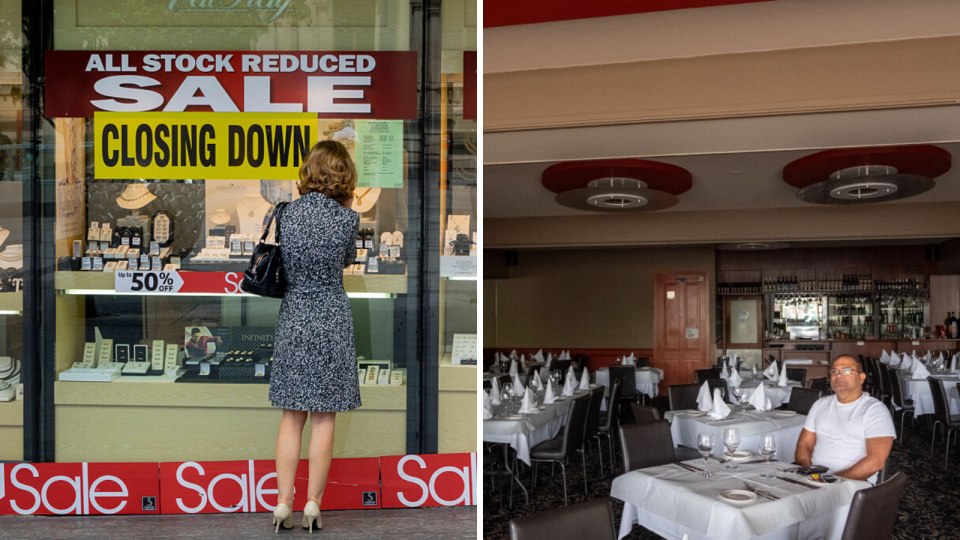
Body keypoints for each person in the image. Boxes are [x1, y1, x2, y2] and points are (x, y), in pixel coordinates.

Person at [269, 140, 360, 533]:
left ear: (309, 171)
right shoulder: (347, 220)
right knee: (325, 418)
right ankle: (312, 504)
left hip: (294, 316)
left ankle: (282, 503)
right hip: (332, 318)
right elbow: (347, 261)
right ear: (344, 175)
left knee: (292, 417)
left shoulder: (285, 214)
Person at [794, 354, 895, 483]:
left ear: (861, 378)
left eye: (847, 370)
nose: (839, 375)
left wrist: (832, 480)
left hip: (854, 483)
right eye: (834, 371)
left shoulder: (875, 410)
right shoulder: (820, 404)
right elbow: (804, 444)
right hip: (815, 479)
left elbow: (876, 462)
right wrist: (807, 472)